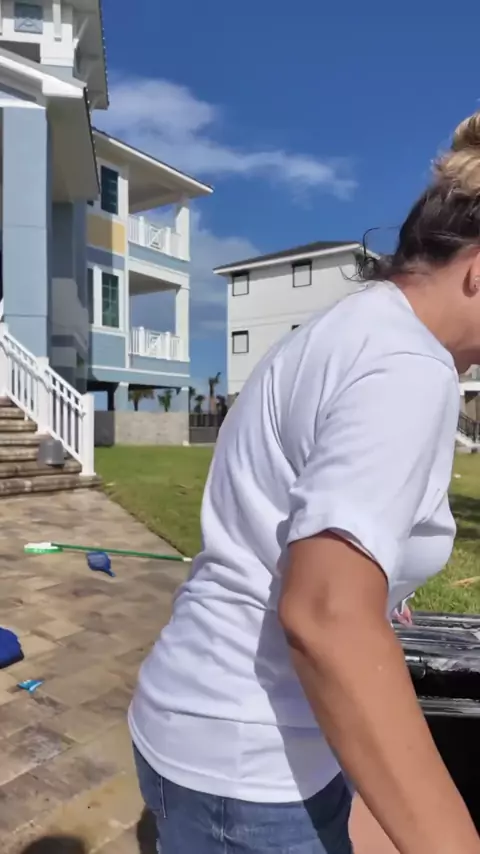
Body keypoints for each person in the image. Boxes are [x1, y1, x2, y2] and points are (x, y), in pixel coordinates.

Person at [129, 111, 480, 854]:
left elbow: (298, 540)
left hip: (195, 721)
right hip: (254, 767)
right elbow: (325, 617)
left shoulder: (343, 331)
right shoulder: (408, 366)